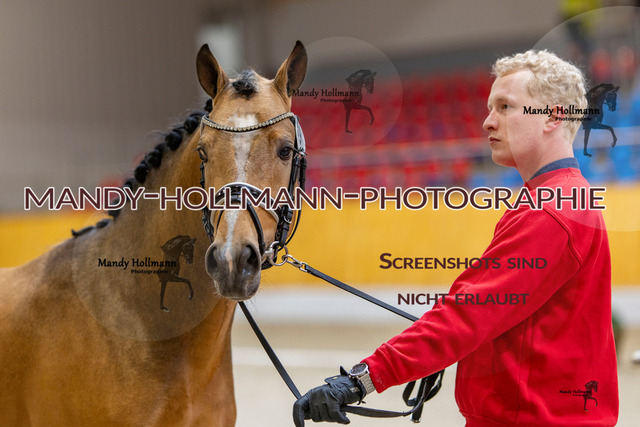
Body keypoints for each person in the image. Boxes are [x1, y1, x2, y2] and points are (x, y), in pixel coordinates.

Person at [293, 50, 619, 426]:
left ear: (553, 116)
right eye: (490, 108)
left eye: (505, 106)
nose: (488, 121)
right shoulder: (557, 198)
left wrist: (361, 380)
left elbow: (469, 313)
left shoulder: (550, 209)